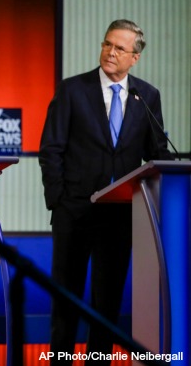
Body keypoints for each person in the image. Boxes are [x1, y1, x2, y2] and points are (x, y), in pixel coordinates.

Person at [39, 19, 173, 365]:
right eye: (107, 44)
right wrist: (58, 200)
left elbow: (157, 152)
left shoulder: (147, 96)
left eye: (119, 48)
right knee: (66, 300)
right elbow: (51, 148)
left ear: (135, 58)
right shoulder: (72, 90)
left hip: (119, 216)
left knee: (107, 303)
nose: (110, 52)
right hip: (75, 213)